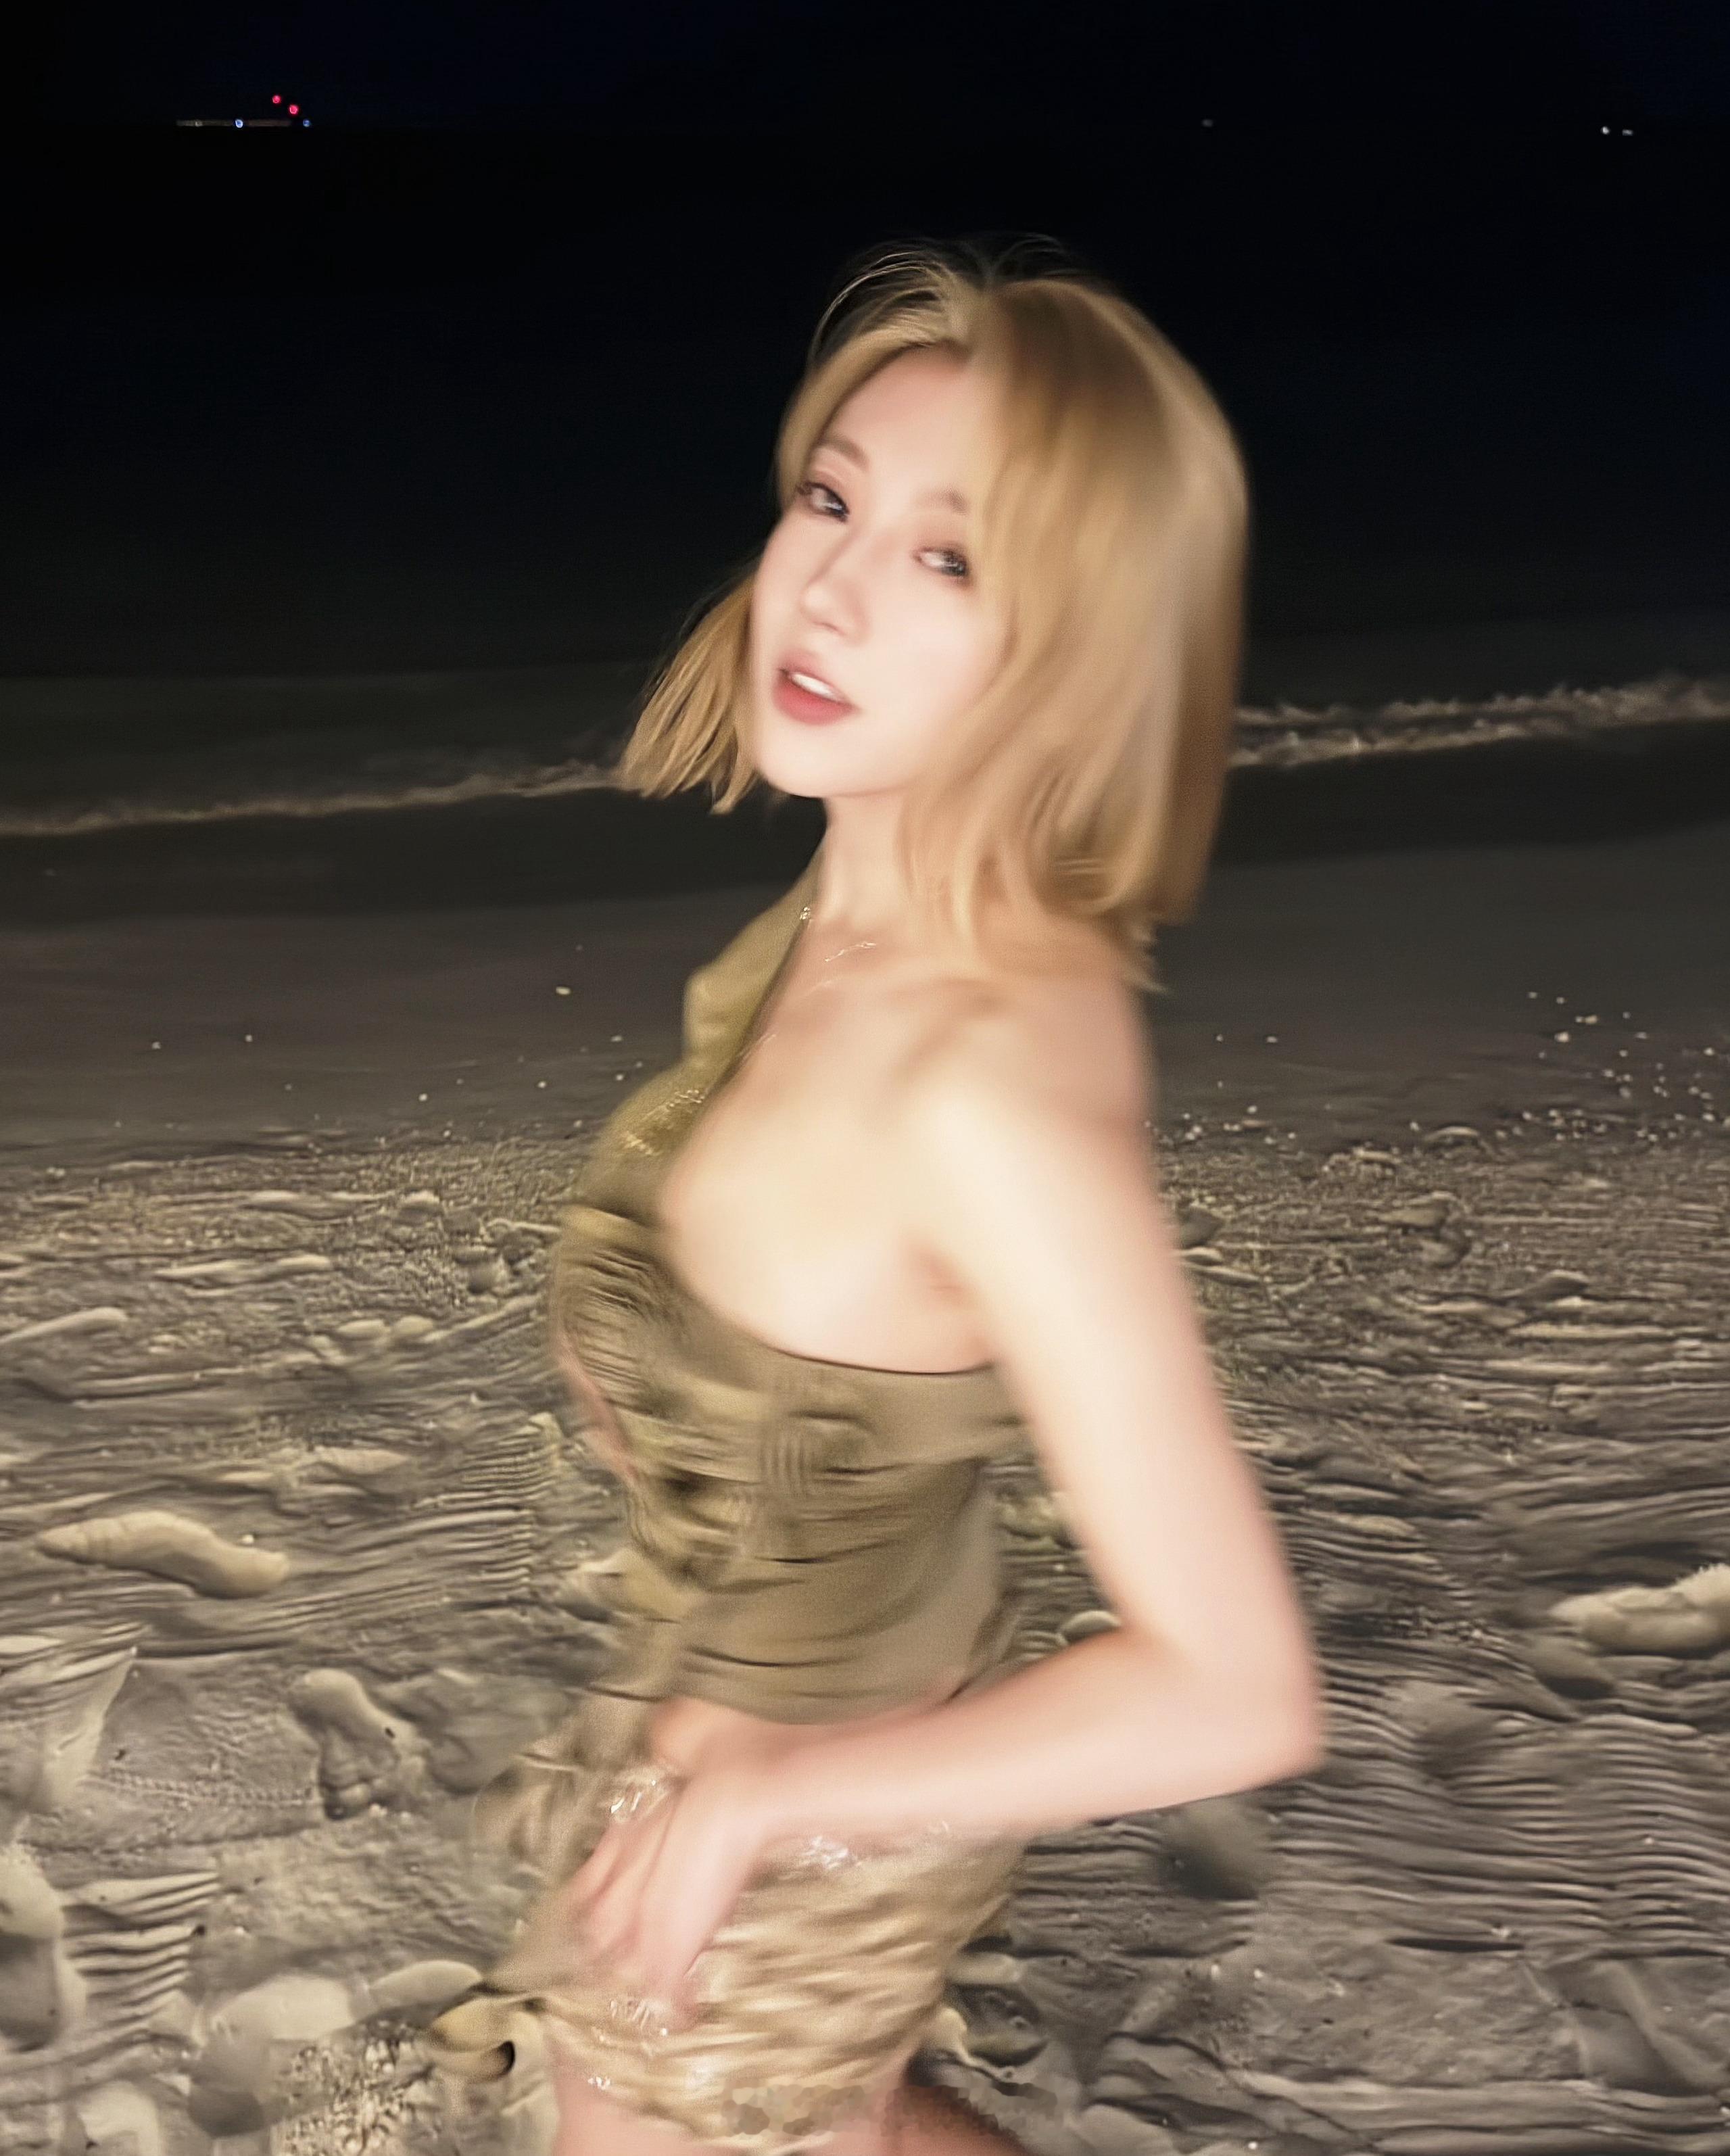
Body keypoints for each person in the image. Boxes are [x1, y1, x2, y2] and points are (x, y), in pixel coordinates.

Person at [427, 239, 1325, 2153]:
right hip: (759, 1715)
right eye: (831, 500)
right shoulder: (872, 894)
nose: (826, 587)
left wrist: (769, 1802)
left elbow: (1241, 1690)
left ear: (1082, 648)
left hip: (787, 1873)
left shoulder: (980, 1090)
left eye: (951, 558)